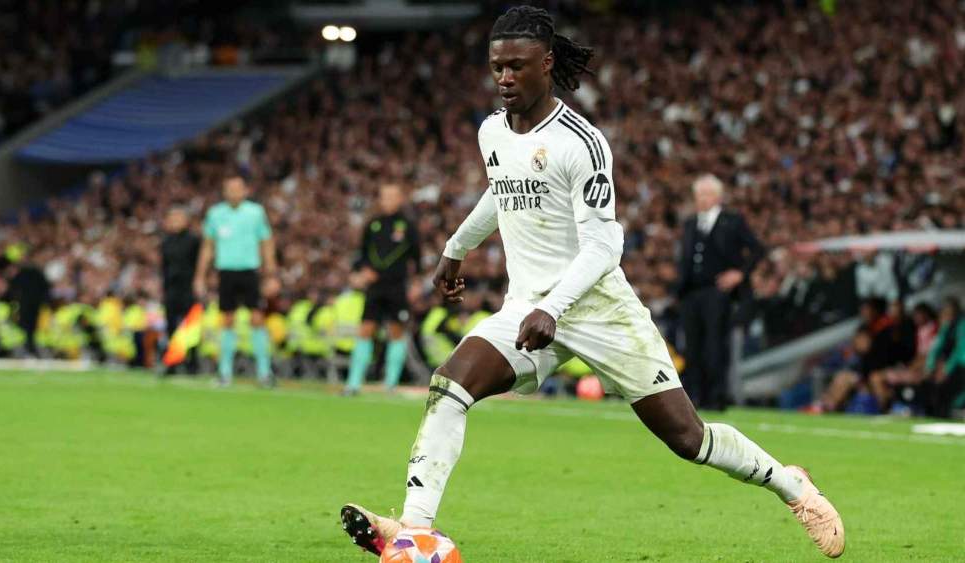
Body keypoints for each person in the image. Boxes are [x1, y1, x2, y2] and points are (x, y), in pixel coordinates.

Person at [339, 7, 844, 559]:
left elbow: (606, 246)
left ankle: (793, 486)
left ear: (548, 63)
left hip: (598, 311)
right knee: (450, 385)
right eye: (496, 68)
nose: (505, 78)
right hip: (528, 309)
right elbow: (501, 190)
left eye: (517, 66)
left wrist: (554, 308)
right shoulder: (492, 131)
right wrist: (455, 250)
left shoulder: (581, 142)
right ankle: (414, 528)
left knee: (688, 439)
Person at [675, 174, 765, 411]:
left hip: (718, 292)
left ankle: (716, 396)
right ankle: (694, 395)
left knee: (715, 346)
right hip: (691, 293)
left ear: (717, 197)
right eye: (698, 195)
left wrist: (740, 274)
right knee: (692, 347)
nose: (702, 199)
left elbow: (757, 249)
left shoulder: (732, 221)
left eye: (706, 194)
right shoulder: (690, 223)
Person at [193, 174, 279, 387]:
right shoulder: (215, 214)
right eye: (229, 189)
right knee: (227, 320)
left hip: (250, 270)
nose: (233, 193)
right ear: (224, 192)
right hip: (226, 271)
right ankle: (225, 373)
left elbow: (266, 241)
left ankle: (264, 372)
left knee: (257, 318)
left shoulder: (255, 212)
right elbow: (207, 246)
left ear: (245, 191)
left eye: (237, 189)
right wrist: (200, 276)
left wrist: (271, 272)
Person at [343, 183, 421, 395]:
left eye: (392, 196)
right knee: (365, 330)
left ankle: (390, 384)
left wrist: (416, 283)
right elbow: (360, 255)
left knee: (396, 333)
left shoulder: (408, 226)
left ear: (400, 199)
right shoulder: (373, 224)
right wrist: (361, 271)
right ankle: (353, 383)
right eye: (384, 196)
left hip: (397, 286)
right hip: (375, 287)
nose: (387, 200)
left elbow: (417, 258)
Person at [160, 206, 200, 374]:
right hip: (171, 287)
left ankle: (192, 362)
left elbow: (198, 264)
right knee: (171, 325)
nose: (174, 222)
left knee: (190, 325)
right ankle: (173, 361)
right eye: (172, 218)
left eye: (178, 218)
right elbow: (164, 266)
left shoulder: (193, 240)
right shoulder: (166, 241)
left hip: (188, 287)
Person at [0, 254, 50, 357]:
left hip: (40, 317)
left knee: (41, 345)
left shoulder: (31, 274)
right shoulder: (12, 284)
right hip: (25, 323)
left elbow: (46, 291)